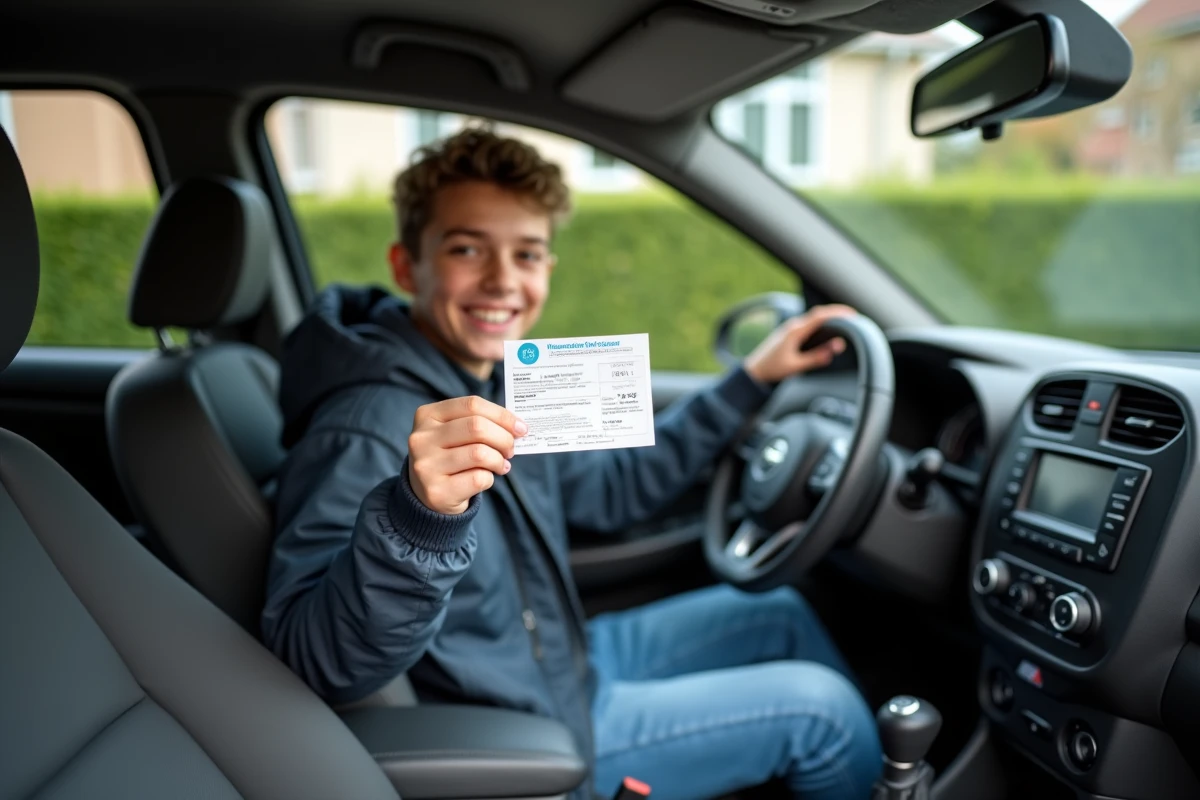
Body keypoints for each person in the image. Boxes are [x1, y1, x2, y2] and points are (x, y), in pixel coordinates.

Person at [262, 126, 882, 800]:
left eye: (526, 254)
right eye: (468, 248)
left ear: (547, 270)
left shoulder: (492, 381)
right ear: (408, 266)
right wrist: (417, 516)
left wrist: (750, 382)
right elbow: (314, 661)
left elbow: (614, 490)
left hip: (562, 660)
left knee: (780, 612)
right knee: (825, 713)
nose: (503, 280)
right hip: (525, 724)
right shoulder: (365, 427)